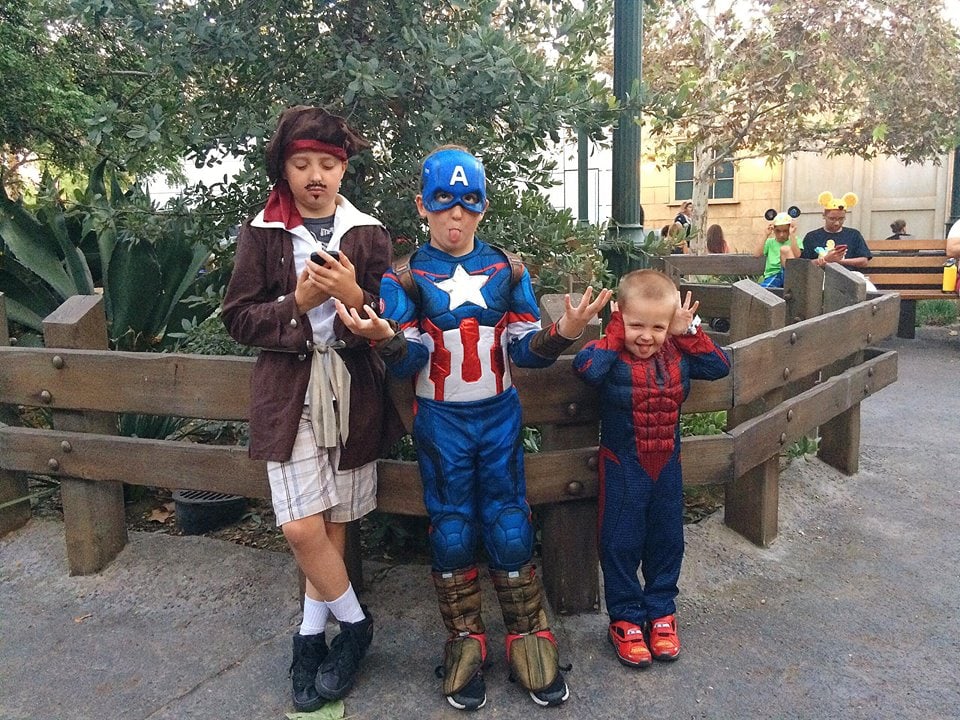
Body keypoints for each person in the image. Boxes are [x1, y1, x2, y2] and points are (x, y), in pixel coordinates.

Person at [336, 145, 611, 711]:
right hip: (441, 420)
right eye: (444, 203)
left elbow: (528, 353)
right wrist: (383, 338)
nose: (455, 216)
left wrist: (566, 329)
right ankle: (464, 639)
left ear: (483, 207)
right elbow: (410, 362)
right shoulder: (405, 278)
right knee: (454, 528)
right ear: (422, 206)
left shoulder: (507, 270)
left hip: (497, 414)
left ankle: (529, 635)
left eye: (468, 203)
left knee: (510, 522)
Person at [222, 105, 402, 713]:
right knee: (300, 526)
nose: (316, 175)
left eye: (328, 163)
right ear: (285, 168)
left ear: (344, 168)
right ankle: (355, 627)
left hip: (355, 391)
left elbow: (387, 314)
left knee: (332, 527)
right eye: (302, 164)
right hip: (289, 394)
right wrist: (297, 302)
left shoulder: (367, 232)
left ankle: (308, 638)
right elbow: (239, 318)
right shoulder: (263, 232)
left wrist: (355, 297)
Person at [571, 270, 729, 671]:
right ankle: (625, 618)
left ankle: (661, 612)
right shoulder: (609, 354)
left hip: (667, 466)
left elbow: (718, 367)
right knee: (620, 542)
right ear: (620, 316)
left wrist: (686, 330)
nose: (647, 336)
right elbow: (587, 371)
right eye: (637, 324)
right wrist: (613, 335)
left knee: (667, 540)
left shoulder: (678, 351)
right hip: (624, 464)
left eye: (657, 326)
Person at [800, 191, 871, 269]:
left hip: (849, 276)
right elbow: (804, 264)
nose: (836, 223)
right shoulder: (812, 237)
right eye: (832, 219)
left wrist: (839, 261)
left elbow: (864, 261)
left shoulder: (854, 234)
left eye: (841, 219)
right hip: (821, 276)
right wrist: (825, 260)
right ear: (824, 216)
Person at [754, 211, 800, 288]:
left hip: (789, 274)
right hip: (773, 274)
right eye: (778, 231)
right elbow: (757, 254)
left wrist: (792, 234)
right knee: (763, 292)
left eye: (785, 231)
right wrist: (766, 234)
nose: (781, 235)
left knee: (785, 249)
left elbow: (797, 255)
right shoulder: (770, 242)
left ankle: (794, 284)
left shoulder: (795, 240)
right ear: (774, 230)